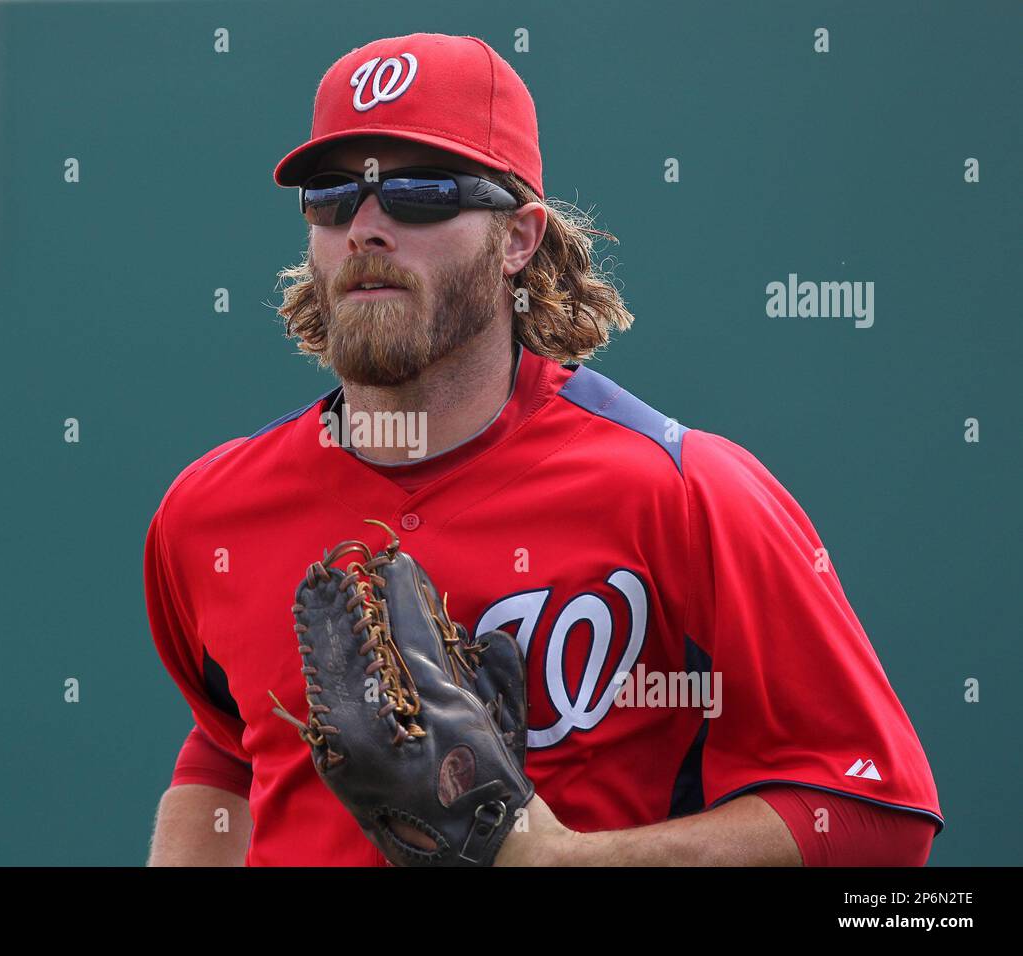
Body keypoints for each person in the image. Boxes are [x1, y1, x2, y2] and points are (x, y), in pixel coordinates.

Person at [144, 32, 942, 866]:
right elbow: (230, 746)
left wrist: (560, 860)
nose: (367, 227)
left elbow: (875, 815)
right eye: (333, 196)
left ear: (520, 238)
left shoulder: (683, 489)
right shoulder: (210, 514)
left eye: (421, 192)